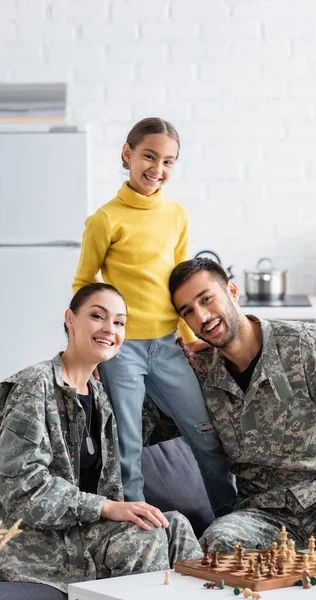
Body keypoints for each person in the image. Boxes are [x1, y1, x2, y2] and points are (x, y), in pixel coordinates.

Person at [166, 257, 316, 568]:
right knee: (216, 547)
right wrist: (108, 365)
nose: (202, 316)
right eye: (188, 312)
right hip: (264, 515)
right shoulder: (199, 372)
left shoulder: (305, 346)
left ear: (232, 291)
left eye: (206, 299)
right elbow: (147, 422)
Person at [72, 117, 235, 517]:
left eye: (168, 161)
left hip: (168, 345)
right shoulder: (105, 219)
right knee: (127, 446)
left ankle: (234, 519)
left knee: (206, 436)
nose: (157, 169)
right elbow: (83, 281)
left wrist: (186, 335)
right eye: (149, 156)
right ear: (127, 154)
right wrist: (87, 348)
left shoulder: (176, 215)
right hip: (123, 350)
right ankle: (137, 529)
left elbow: (180, 283)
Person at [0, 283, 201, 595]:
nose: (110, 329)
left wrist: (187, 371)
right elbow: (22, 490)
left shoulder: (102, 396)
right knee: (143, 536)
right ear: (70, 318)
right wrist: (106, 507)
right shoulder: (34, 387)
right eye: (98, 316)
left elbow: (151, 426)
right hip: (38, 544)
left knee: (173, 526)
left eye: (119, 322)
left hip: (87, 533)